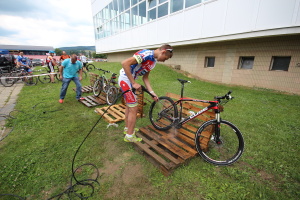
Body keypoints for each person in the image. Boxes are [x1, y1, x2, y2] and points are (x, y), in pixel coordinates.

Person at [119, 44, 173, 142]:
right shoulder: (146, 54)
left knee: (129, 106)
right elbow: (125, 63)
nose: (165, 60)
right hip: (125, 80)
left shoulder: (153, 62)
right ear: (163, 51)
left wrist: (152, 93)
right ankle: (129, 136)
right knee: (134, 108)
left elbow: (145, 78)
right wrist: (133, 82)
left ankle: (128, 129)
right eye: (165, 58)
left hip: (130, 81)